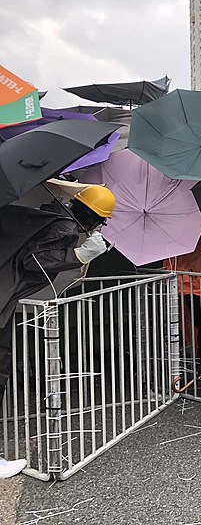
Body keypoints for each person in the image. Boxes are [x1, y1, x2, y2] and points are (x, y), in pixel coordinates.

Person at [0, 185, 115, 479]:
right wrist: (78, 255)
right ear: (93, 218)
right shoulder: (63, 227)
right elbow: (33, 262)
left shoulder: (46, 215)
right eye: (101, 220)